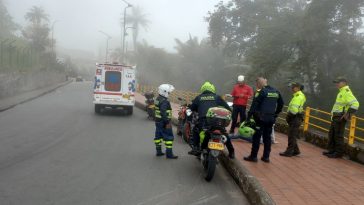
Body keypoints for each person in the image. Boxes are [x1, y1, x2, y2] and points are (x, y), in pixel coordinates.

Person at [188, 81, 235, 159]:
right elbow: (228, 108)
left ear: (203, 89)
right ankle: (232, 152)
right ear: (212, 89)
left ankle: (196, 148)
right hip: (217, 120)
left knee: (196, 130)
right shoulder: (217, 97)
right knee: (224, 134)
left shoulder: (199, 97)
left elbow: (191, 108)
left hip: (203, 120)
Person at [244, 77, 284, 163]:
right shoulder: (276, 91)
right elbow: (281, 103)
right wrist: (276, 114)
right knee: (267, 138)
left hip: (260, 119)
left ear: (258, 84)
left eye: (257, 84)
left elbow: (254, 106)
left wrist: (248, 117)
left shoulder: (260, 92)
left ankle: (253, 156)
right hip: (271, 118)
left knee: (256, 137)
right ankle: (266, 157)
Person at [323, 77, 359, 158]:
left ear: (344, 83)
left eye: (338, 82)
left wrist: (347, 113)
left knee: (338, 135)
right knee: (332, 134)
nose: (336, 84)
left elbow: (356, 104)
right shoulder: (341, 92)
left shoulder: (346, 92)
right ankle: (332, 151)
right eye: (336, 82)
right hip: (336, 116)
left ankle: (338, 153)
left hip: (340, 117)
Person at [279, 82, 306, 157]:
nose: (291, 88)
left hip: (295, 118)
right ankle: (296, 150)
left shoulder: (298, 96)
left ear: (297, 88)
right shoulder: (299, 95)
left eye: (293, 87)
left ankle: (289, 152)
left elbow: (294, 110)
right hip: (296, 118)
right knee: (292, 135)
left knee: (291, 136)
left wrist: (289, 116)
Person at [154, 84, 178, 159]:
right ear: (165, 92)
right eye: (169, 92)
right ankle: (169, 154)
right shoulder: (164, 101)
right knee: (169, 138)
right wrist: (167, 122)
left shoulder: (157, 99)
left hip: (158, 121)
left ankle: (158, 151)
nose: (169, 94)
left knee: (158, 136)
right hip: (164, 122)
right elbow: (163, 112)